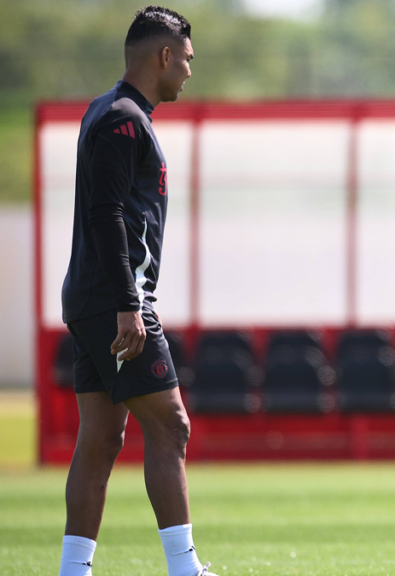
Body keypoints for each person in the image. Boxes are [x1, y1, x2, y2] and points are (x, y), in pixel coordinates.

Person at [58, 7, 215, 576]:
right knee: (171, 425)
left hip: (94, 297)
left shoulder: (107, 109)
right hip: (114, 301)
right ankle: (184, 568)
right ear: (164, 56)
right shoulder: (124, 118)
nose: (189, 72)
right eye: (187, 60)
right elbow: (105, 215)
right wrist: (129, 304)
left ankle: (73, 570)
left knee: (101, 436)